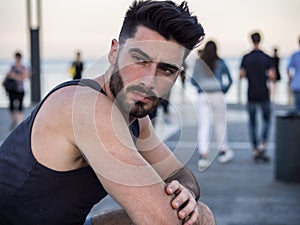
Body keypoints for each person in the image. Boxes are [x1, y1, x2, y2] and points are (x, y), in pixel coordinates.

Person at [0, 1, 216, 225]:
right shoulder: (84, 108)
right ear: (114, 52)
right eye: (140, 60)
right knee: (200, 218)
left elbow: (178, 173)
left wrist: (187, 192)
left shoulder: (135, 117)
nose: (149, 81)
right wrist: (194, 212)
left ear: (178, 76)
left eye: (166, 69)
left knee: (192, 213)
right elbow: (163, 222)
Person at [191, 40, 234, 170]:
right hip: (217, 95)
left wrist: (201, 87)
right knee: (220, 124)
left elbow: (193, 80)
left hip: (203, 96)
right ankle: (223, 151)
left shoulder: (199, 62)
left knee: (204, 125)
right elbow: (230, 80)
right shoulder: (220, 62)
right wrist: (223, 89)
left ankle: (203, 155)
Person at [239, 32, 275, 162]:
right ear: (260, 40)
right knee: (267, 119)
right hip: (264, 93)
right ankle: (263, 143)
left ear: (251, 40)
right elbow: (272, 76)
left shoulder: (246, 57)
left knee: (252, 123)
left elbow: (242, 75)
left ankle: (254, 149)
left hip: (251, 93)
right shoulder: (266, 57)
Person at [3, 51, 29, 128]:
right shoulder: (12, 67)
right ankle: (14, 121)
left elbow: (25, 77)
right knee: (11, 105)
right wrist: (18, 76)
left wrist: (14, 76)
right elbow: (9, 75)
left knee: (20, 105)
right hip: (12, 89)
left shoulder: (23, 67)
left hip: (20, 89)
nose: (17, 59)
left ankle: (19, 122)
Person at [287, 36, 300, 112]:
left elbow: (288, 69)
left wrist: (290, 79)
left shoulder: (295, 55)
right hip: (296, 84)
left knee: (297, 108)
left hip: (296, 84)